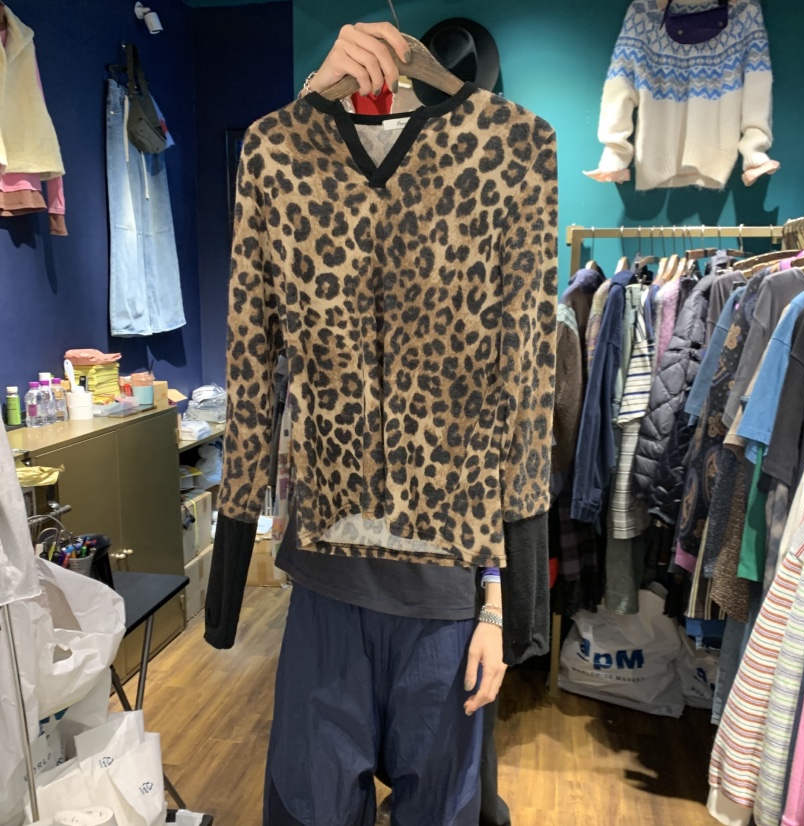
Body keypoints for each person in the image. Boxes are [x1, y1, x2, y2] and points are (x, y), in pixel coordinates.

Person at [295, 23, 519, 826]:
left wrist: (495, 607)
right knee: (313, 807)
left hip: (445, 597)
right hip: (330, 582)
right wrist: (315, 99)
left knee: (443, 813)